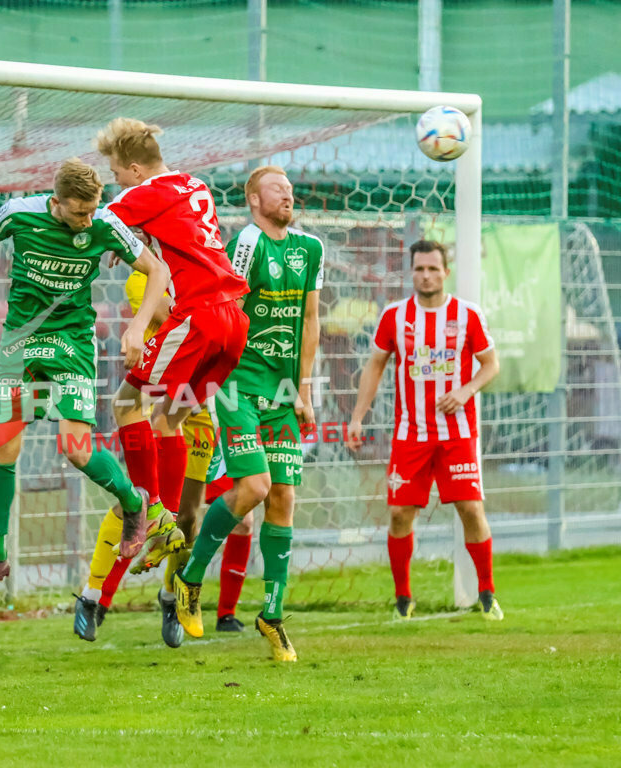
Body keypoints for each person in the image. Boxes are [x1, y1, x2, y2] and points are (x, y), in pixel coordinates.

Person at [0, 158, 169, 609]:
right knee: (4, 448)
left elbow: (157, 271)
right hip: (21, 341)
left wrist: (137, 327)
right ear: (55, 202)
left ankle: (132, 503)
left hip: (72, 343)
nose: (88, 220)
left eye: (93, 210)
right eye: (79, 212)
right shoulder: (19, 213)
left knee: (75, 449)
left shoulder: (104, 222)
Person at [77, 118, 250, 639]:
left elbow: (92, 219)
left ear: (134, 168)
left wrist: (106, 235)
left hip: (196, 315)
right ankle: (168, 518)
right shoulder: (193, 184)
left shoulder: (147, 191)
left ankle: (150, 512)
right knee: (169, 418)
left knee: (125, 404)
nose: (116, 183)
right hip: (233, 322)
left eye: (116, 174)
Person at [172, 167, 322, 663]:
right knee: (254, 488)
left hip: (281, 390)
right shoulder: (248, 242)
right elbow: (224, 304)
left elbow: (310, 320)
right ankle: (192, 576)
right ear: (254, 198)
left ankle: (272, 615)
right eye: (278, 188)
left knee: (283, 498)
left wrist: (302, 392)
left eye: (290, 189)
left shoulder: (310, 249)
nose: (289, 194)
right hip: (240, 384)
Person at [347, 239, 503, 621]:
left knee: (470, 509)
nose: (426, 275)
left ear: (445, 272)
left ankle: (487, 593)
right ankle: (403, 599)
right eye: (419, 269)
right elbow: (376, 366)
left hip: (458, 432)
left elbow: (491, 364)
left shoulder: (468, 315)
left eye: (433, 268)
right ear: (411, 272)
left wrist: (465, 390)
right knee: (400, 514)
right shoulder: (394, 316)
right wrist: (358, 416)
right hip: (410, 433)